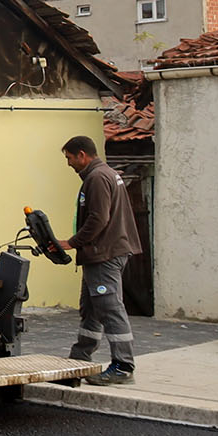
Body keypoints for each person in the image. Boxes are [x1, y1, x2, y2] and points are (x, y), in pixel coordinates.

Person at [58, 135, 142, 385]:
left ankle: (123, 366)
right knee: (92, 308)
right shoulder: (107, 174)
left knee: (109, 307)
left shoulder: (96, 178)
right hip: (104, 252)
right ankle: (79, 359)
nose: (69, 164)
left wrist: (72, 242)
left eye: (69, 158)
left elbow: (98, 219)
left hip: (104, 254)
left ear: (82, 155)